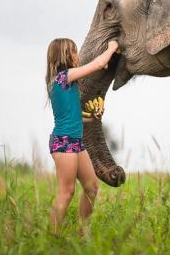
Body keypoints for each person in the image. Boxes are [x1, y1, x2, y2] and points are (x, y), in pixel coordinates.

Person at [45, 38, 119, 236]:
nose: (78, 55)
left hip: (76, 143)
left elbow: (72, 118)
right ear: (65, 56)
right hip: (64, 143)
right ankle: (51, 236)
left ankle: (81, 233)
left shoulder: (67, 83)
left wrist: (92, 118)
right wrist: (112, 46)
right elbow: (98, 64)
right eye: (74, 51)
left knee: (91, 188)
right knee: (66, 192)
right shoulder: (63, 77)